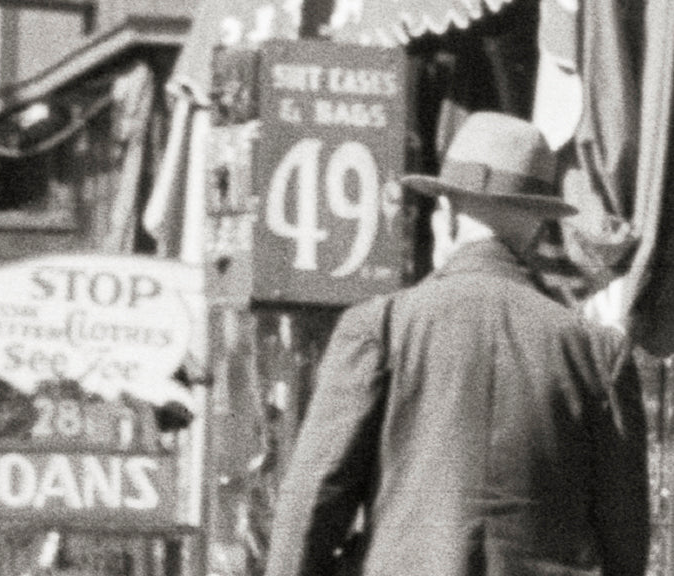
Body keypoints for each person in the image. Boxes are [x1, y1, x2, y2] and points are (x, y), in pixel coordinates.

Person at [263, 112, 649, 576]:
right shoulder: (597, 354)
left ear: (443, 215)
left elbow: (313, 502)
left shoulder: (379, 327)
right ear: (538, 227)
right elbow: (624, 538)